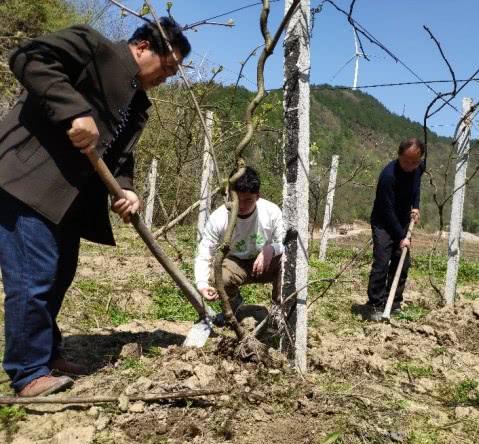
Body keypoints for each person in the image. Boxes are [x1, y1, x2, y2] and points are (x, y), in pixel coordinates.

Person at [0, 19, 191, 397]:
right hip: (29, 183)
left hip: (69, 200)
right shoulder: (92, 47)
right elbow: (26, 57)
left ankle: (47, 354)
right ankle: (27, 372)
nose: (167, 77)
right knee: (32, 277)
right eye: (167, 67)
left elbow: (120, 156)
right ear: (142, 46)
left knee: (58, 275)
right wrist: (74, 110)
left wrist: (126, 189)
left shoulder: (136, 104)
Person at [194, 167, 285, 321]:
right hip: (236, 263)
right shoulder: (219, 217)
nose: (241, 206)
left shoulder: (271, 212)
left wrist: (271, 249)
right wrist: (202, 284)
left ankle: (279, 311)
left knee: (287, 263)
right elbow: (205, 251)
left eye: (248, 200)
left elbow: (286, 243)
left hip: (266, 262)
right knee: (218, 276)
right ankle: (236, 310)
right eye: (237, 199)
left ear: (258, 196)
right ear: (229, 194)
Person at [365, 138, 424, 321]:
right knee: (382, 262)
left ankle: (394, 303)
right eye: (406, 161)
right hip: (383, 222)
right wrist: (401, 236)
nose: (410, 166)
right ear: (399, 156)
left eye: (415, 162)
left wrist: (415, 206)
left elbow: (416, 188)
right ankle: (375, 304)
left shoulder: (417, 169)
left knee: (402, 262)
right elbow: (387, 211)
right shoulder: (388, 176)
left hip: (402, 219)